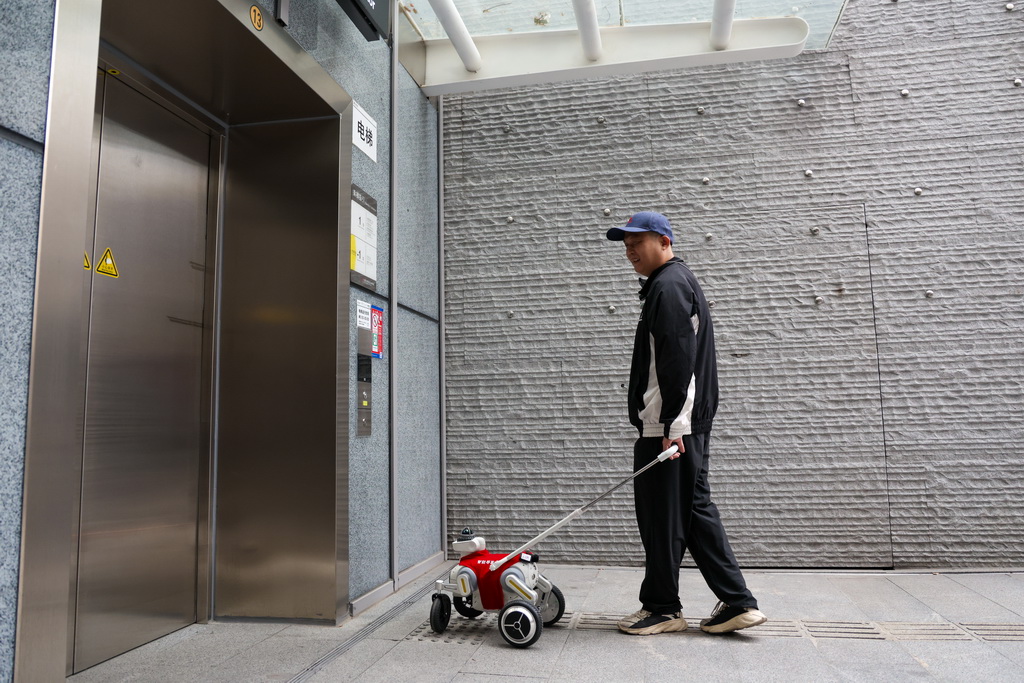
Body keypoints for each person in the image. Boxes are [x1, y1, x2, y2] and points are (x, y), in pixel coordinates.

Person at [605, 211, 767, 636]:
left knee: (662, 515)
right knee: (692, 511)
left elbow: (680, 364)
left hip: (670, 426)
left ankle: (662, 607)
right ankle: (736, 602)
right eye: (625, 247)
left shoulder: (670, 287)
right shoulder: (671, 284)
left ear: (664, 240)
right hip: (679, 424)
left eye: (637, 243)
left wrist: (673, 430)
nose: (630, 252)